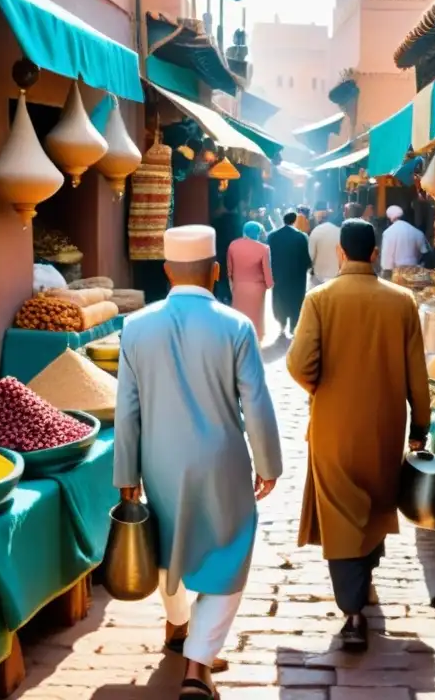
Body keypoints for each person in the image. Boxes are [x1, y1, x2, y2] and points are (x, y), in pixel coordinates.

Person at [115, 226, 283, 698]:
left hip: (158, 461)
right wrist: (268, 463)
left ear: (167, 271)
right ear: (214, 273)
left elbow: (127, 408)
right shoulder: (235, 326)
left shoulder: (136, 326)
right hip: (222, 461)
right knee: (230, 553)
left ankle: (178, 627)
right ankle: (198, 666)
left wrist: (126, 474)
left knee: (168, 545)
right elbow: (257, 403)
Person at [286, 219, 431, 651]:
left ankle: (352, 614)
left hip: (334, 426)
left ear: (340, 254)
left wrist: (321, 387)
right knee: (374, 500)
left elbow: (297, 364)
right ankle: (364, 582)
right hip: (386, 427)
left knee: (342, 512)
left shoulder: (320, 299)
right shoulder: (402, 301)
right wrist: (419, 427)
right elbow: (417, 376)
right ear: (373, 255)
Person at [267, 211, 312, 338]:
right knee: (296, 299)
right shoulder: (301, 236)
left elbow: (269, 256)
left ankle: (281, 324)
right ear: (294, 221)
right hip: (297, 275)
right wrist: (308, 267)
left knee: (279, 298)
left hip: (278, 274)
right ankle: (293, 326)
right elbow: (305, 257)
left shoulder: (273, 236)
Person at [228, 221, 274, 341]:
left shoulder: (233, 245)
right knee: (256, 315)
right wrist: (269, 284)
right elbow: (266, 270)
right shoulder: (264, 248)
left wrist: (232, 284)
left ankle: (239, 336)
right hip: (257, 289)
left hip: (238, 286)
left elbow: (229, 269)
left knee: (239, 313)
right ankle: (255, 338)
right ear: (258, 233)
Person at [380, 205, 429, 280]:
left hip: (396, 276)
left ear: (390, 219)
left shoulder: (388, 232)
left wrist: (385, 276)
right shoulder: (417, 232)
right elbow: (425, 253)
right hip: (414, 276)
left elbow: (386, 261)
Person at [308, 208, 342, 288]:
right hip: (337, 278)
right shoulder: (341, 231)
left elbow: (311, 255)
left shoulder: (316, 231)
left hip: (318, 278)